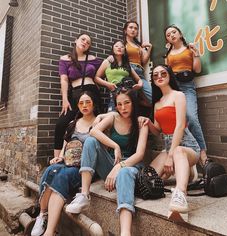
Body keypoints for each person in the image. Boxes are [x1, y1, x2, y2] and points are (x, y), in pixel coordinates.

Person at [66, 89, 149, 236]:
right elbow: (93, 132)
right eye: (119, 104)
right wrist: (115, 146)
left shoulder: (141, 122)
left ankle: (125, 232)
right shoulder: (113, 117)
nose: (123, 108)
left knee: (124, 172)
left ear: (133, 103)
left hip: (131, 167)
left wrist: (119, 166)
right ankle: (84, 195)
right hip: (111, 167)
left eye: (127, 103)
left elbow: (140, 154)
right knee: (91, 142)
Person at [31, 91, 99, 236]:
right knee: (51, 169)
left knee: (63, 175)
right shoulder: (72, 124)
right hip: (68, 162)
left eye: (88, 102)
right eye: (81, 103)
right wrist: (59, 157)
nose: (84, 106)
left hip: (84, 168)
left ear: (94, 103)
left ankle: (49, 232)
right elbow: (65, 146)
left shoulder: (99, 122)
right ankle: (42, 214)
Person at [141, 65, 200, 219]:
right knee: (148, 178)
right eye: (155, 75)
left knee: (179, 152)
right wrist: (149, 123)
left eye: (163, 73)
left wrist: (170, 156)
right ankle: (185, 172)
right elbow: (158, 131)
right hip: (168, 148)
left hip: (187, 146)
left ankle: (180, 194)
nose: (159, 76)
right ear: (153, 81)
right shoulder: (157, 103)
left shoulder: (178, 95)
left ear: (169, 76)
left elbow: (180, 126)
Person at [164, 25, 207, 166]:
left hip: (187, 86)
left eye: (174, 32)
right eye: (168, 34)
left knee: (192, 118)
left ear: (180, 33)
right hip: (174, 87)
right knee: (178, 122)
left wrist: (196, 54)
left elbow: (197, 69)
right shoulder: (168, 53)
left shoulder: (190, 48)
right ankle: (185, 155)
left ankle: (202, 153)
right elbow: (167, 73)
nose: (171, 35)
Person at [54, 33, 102, 158]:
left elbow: (103, 72)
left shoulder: (93, 59)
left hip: (92, 95)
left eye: (88, 42)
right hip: (75, 95)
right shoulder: (65, 59)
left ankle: (98, 157)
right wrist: (64, 99)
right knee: (61, 124)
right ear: (76, 40)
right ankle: (56, 159)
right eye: (83, 39)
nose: (85, 42)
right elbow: (64, 80)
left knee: (97, 125)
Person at [95, 40, 143, 111]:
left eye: (122, 47)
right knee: (112, 113)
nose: (119, 48)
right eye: (116, 46)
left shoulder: (127, 64)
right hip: (115, 92)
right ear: (113, 49)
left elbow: (139, 79)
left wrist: (139, 85)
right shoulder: (107, 62)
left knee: (129, 115)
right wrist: (108, 84)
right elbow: (96, 78)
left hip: (128, 92)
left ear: (124, 50)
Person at [123, 20, 153, 108]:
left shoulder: (138, 46)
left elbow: (143, 61)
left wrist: (150, 48)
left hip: (140, 73)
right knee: (131, 99)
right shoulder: (123, 44)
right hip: (129, 72)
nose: (133, 30)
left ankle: (139, 101)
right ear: (125, 30)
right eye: (131, 27)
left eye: (136, 28)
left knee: (151, 98)